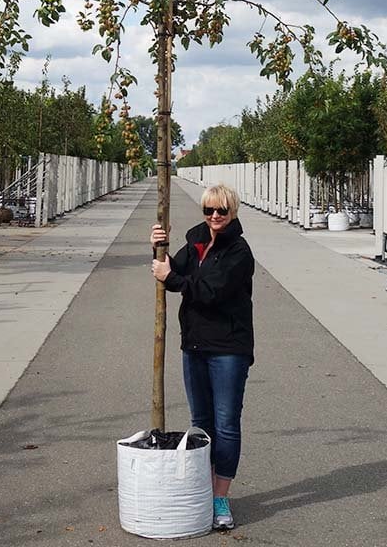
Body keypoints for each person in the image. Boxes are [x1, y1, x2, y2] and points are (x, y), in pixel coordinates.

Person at [150, 184, 255, 531]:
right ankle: (203, 490)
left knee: (226, 424)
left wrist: (172, 278)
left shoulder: (240, 252)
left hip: (228, 349)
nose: (214, 217)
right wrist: (157, 246)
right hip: (194, 346)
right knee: (203, 423)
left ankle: (220, 497)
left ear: (233, 211)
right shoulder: (196, 242)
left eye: (221, 211)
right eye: (209, 210)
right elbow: (168, 270)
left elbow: (210, 291)